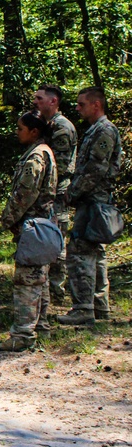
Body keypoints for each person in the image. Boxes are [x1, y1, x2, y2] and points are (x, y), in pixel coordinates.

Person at [57, 87, 124, 326]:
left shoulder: (104, 130)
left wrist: (72, 193)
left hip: (94, 200)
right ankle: (99, 306)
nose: (77, 108)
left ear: (96, 105)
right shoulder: (96, 130)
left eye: (81, 104)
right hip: (92, 199)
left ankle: (84, 307)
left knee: (80, 251)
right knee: (95, 252)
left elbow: (96, 169)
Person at [0, 112, 57, 351]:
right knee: (40, 279)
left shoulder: (37, 156)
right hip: (41, 225)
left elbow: (25, 194)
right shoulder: (44, 152)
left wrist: (7, 218)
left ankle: (22, 335)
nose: (16, 132)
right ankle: (41, 327)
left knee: (27, 280)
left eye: (20, 128)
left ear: (34, 131)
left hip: (32, 227)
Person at [33, 83, 78, 303]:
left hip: (58, 192)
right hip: (46, 191)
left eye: (40, 99)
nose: (36, 102)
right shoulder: (46, 124)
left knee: (56, 241)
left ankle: (56, 291)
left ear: (53, 101)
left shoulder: (62, 127)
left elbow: (58, 166)